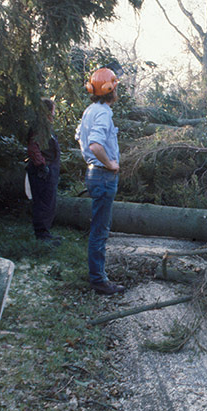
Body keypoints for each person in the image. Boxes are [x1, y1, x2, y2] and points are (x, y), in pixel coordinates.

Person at [75, 67, 126, 295]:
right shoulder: (103, 113)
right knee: (100, 230)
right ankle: (98, 279)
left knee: (98, 227)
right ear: (109, 89)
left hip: (93, 173)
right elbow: (95, 145)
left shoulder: (90, 110)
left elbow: (79, 137)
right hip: (103, 175)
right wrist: (110, 164)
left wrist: (91, 158)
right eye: (115, 87)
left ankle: (97, 275)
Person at [26, 98, 62, 245]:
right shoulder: (39, 127)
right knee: (43, 203)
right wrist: (41, 165)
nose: (54, 114)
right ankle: (42, 236)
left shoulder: (46, 127)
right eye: (52, 110)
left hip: (49, 169)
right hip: (42, 171)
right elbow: (33, 147)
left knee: (49, 202)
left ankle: (45, 233)